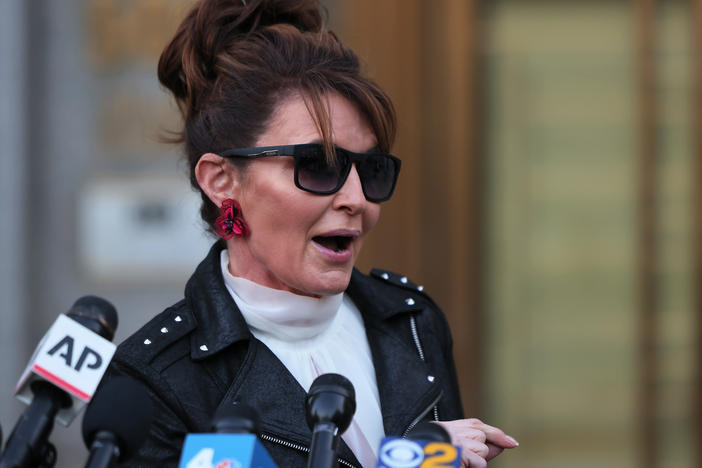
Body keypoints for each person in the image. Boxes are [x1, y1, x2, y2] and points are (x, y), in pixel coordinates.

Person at [107, 0, 518, 466]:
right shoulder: (155, 378)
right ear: (222, 181)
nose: (357, 199)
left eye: (372, 170)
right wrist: (414, 459)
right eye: (318, 166)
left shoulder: (413, 323)